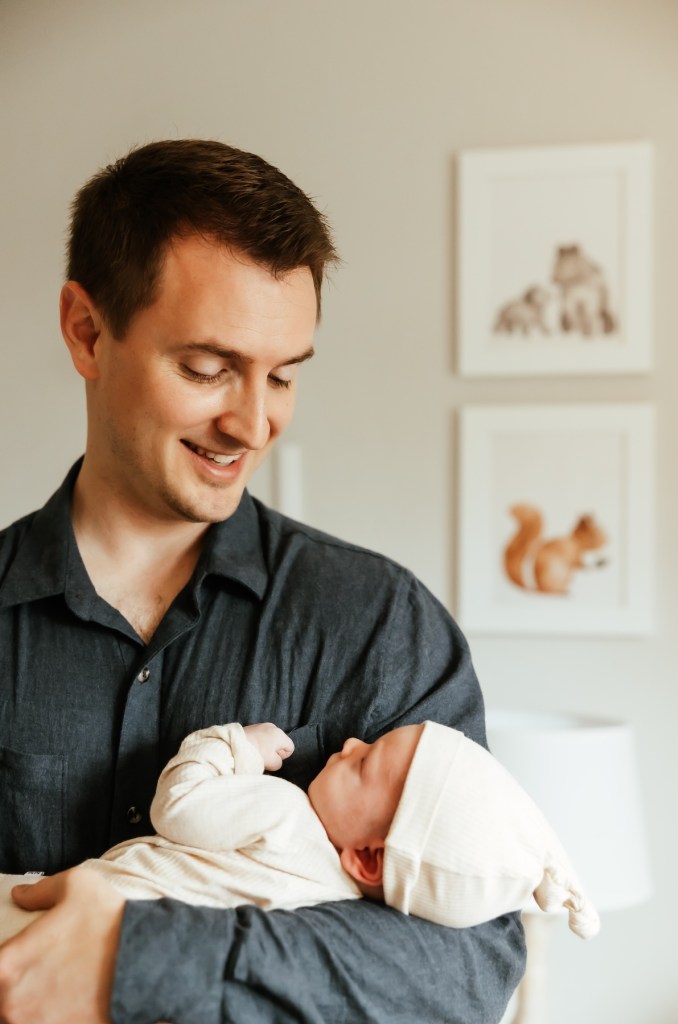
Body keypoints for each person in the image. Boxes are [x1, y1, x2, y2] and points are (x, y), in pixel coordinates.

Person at [0, 139, 525, 1024]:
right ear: (87, 332)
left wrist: (142, 959)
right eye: (206, 368)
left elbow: (468, 963)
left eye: (283, 375)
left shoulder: (379, 623)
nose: (252, 421)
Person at [1, 718, 599, 945]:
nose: (348, 743)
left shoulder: (285, 817)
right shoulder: (330, 906)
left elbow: (177, 806)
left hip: (50, 918)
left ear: (367, 858)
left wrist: (235, 745)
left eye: (365, 762)